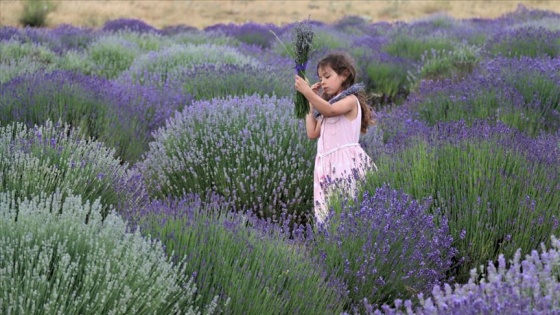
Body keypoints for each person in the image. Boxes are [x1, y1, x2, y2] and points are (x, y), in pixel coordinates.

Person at [294, 51, 377, 225]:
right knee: (328, 216)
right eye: (320, 77)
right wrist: (310, 101)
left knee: (347, 211)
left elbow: (329, 111)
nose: (322, 81)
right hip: (326, 165)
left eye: (327, 76)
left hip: (345, 164)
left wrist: (308, 92)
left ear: (344, 74)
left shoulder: (350, 100)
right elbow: (312, 133)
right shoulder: (329, 105)